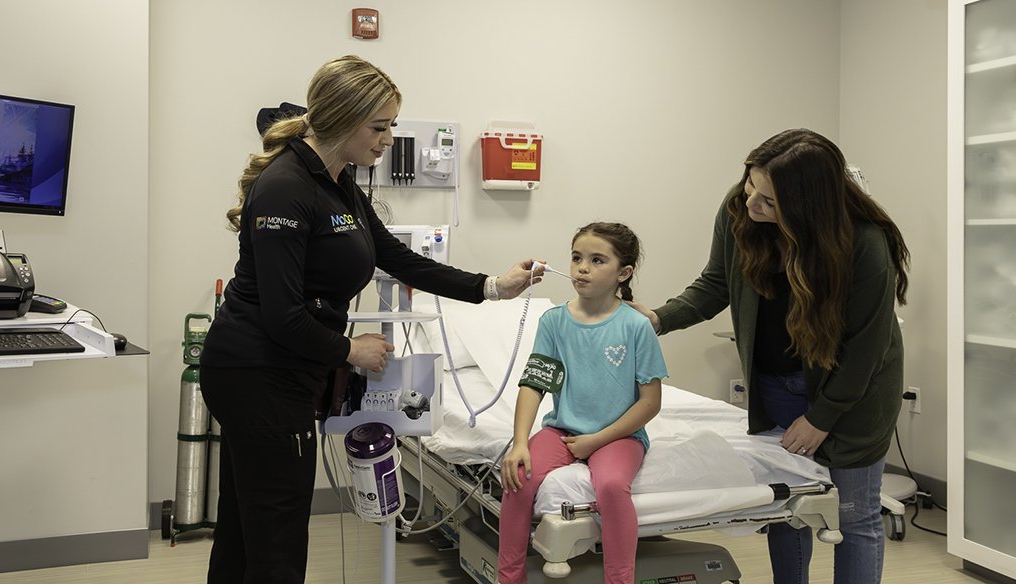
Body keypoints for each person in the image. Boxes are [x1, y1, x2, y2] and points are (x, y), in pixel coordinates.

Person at [199, 55, 539, 584]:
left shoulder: (340, 184)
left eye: (392, 127)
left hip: (280, 370)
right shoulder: (286, 186)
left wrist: (492, 287)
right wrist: (350, 351)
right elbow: (283, 315)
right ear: (339, 118)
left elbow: (398, 258)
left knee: (249, 531)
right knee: (276, 536)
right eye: (379, 127)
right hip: (257, 374)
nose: (387, 139)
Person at [630, 129, 909, 584]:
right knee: (788, 508)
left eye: (769, 202)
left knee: (855, 518)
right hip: (775, 386)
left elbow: (866, 350)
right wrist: (659, 319)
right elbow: (716, 282)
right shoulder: (741, 209)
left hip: (854, 399)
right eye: (750, 188)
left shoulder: (863, 242)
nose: (753, 204)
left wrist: (822, 417)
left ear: (808, 208)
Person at [498, 222, 667, 584]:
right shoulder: (554, 322)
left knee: (609, 486)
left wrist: (596, 441)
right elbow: (534, 385)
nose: (582, 268)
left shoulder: (636, 326)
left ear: (623, 273)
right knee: (518, 478)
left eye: (596, 260)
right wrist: (519, 443)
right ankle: (508, 578)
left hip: (621, 437)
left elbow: (650, 403)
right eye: (576, 258)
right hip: (562, 430)